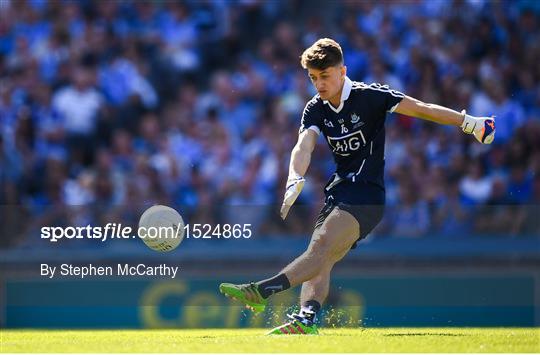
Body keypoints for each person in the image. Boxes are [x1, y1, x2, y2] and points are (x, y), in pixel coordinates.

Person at [219, 38, 496, 335]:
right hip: (339, 191)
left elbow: (421, 108)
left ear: (342, 71)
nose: (319, 84)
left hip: (367, 196)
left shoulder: (370, 96)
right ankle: (306, 318)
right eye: (313, 78)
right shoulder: (315, 108)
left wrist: (470, 122)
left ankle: (261, 291)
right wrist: (294, 176)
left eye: (324, 76)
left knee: (321, 247)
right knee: (319, 256)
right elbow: (304, 145)